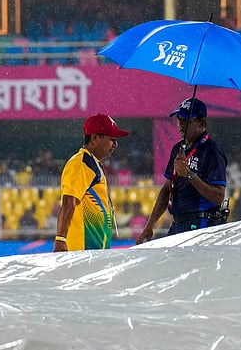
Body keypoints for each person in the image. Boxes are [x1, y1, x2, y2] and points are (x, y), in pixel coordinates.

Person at [137, 98, 229, 242]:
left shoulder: (212, 151)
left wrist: (189, 174)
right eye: (179, 119)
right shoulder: (177, 149)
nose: (180, 125)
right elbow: (166, 190)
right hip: (177, 223)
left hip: (202, 223)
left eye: (186, 120)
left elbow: (218, 197)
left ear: (201, 123)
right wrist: (149, 225)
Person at [54, 112, 130, 252]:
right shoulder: (82, 163)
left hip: (92, 250)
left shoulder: (93, 163)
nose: (116, 144)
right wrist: (61, 239)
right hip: (82, 250)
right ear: (94, 138)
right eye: (112, 139)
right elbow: (68, 201)